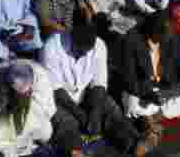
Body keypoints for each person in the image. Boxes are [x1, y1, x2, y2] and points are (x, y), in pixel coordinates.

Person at [42, 23, 150, 157]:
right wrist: (82, 116)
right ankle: (76, 151)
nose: (84, 54)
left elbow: (99, 84)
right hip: (59, 99)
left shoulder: (99, 46)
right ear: (72, 38)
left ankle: (133, 143)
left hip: (85, 92)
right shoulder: (51, 47)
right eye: (80, 50)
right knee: (64, 123)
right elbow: (56, 90)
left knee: (110, 108)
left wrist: (95, 112)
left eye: (88, 50)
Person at [119, 10, 180, 130]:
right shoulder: (131, 40)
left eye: (168, 34)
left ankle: (158, 115)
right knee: (133, 106)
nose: (166, 39)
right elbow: (130, 79)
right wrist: (150, 95)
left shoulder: (170, 35)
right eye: (162, 35)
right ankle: (166, 109)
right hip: (145, 89)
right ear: (153, 30)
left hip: (166, 86)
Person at [0, 60, 56, 157]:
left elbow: (49, 111)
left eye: (25, 94)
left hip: (32, 118)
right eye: (17, 94)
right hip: (1, 122)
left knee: (46, 132)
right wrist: (3, 118)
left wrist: (27, 117)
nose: (21, 97)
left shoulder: (42, 77)